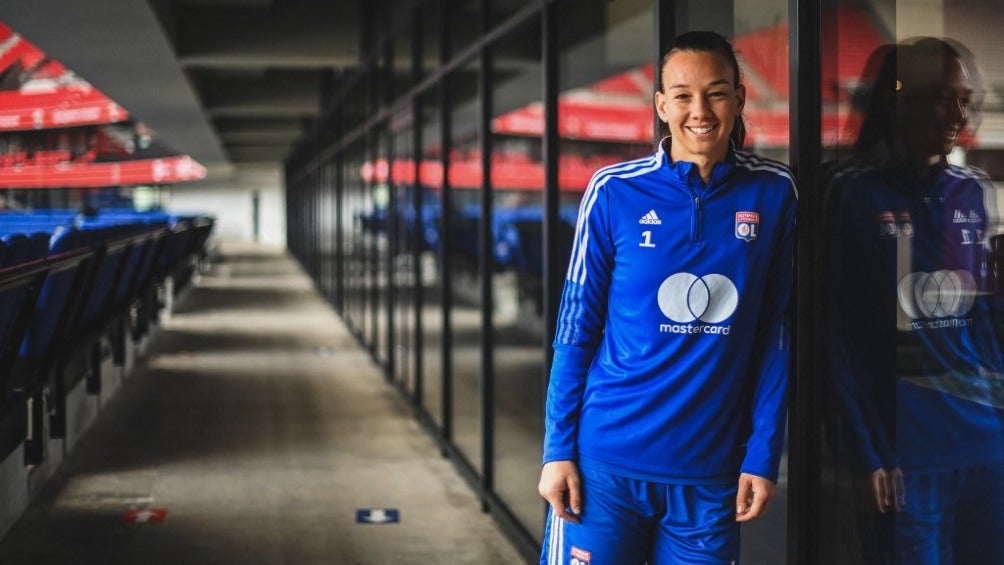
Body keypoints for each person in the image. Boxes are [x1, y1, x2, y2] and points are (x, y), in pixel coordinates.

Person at [538, 31, 796, 564]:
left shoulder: (775, 192)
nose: (699, 110)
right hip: (605, 467)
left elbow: (779, 334)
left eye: (716, 93)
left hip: (711, 476)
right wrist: (557, 449)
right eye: (682, 95)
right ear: (661, 105)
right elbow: (575, 330)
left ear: (739, 98)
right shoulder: (613, 190)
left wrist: (763, 453)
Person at [822, 37, 1004, 564]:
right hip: (905, 463)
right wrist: (865, 455)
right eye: (942, 98)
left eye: (964, 100)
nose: (957, 115)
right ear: (894, 101)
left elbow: (982, 321)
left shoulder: (972, 190)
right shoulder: (847, 190)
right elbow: (832, 337)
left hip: (984, 449)